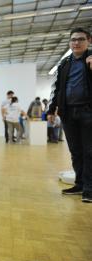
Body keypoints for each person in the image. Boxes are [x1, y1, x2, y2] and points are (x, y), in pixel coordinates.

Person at [48, 27, 92, 203]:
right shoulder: (65, 63)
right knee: (76, 151)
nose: (76, 42)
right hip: (68, 113)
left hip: (88, 112)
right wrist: (52, 109)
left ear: (88, 41)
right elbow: (57, 88)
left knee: (89, 151)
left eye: (80, 39)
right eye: (73, 39)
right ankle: (80, 184)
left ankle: (89, 188)